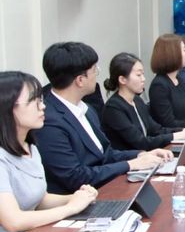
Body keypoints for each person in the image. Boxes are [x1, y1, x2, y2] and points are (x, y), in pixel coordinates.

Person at [0, 72, 99, 232]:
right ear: (7, 109)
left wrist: (74, 198)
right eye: (34, 101)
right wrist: (69, 208)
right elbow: (13, 221)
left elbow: (39, 198)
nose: (42, 106)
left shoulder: (29, 146)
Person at [37, 42, 172, 193]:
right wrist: (131, 164)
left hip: (106, 188)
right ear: (80, 80)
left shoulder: (87, 110)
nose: (97, 75)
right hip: (78, 200)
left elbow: (106, 154)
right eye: (95, 70)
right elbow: (75, 177)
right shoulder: (49, 121)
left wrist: (141, 154)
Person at [101, 52, 185, 151]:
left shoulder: (137, 100)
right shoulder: (114, 108)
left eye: (143, 74)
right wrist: (177, 135)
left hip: (148, 156)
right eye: (138, 75)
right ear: (122, 79)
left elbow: (157, 130)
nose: (143, 79)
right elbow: (141, 142)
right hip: (131, 161)